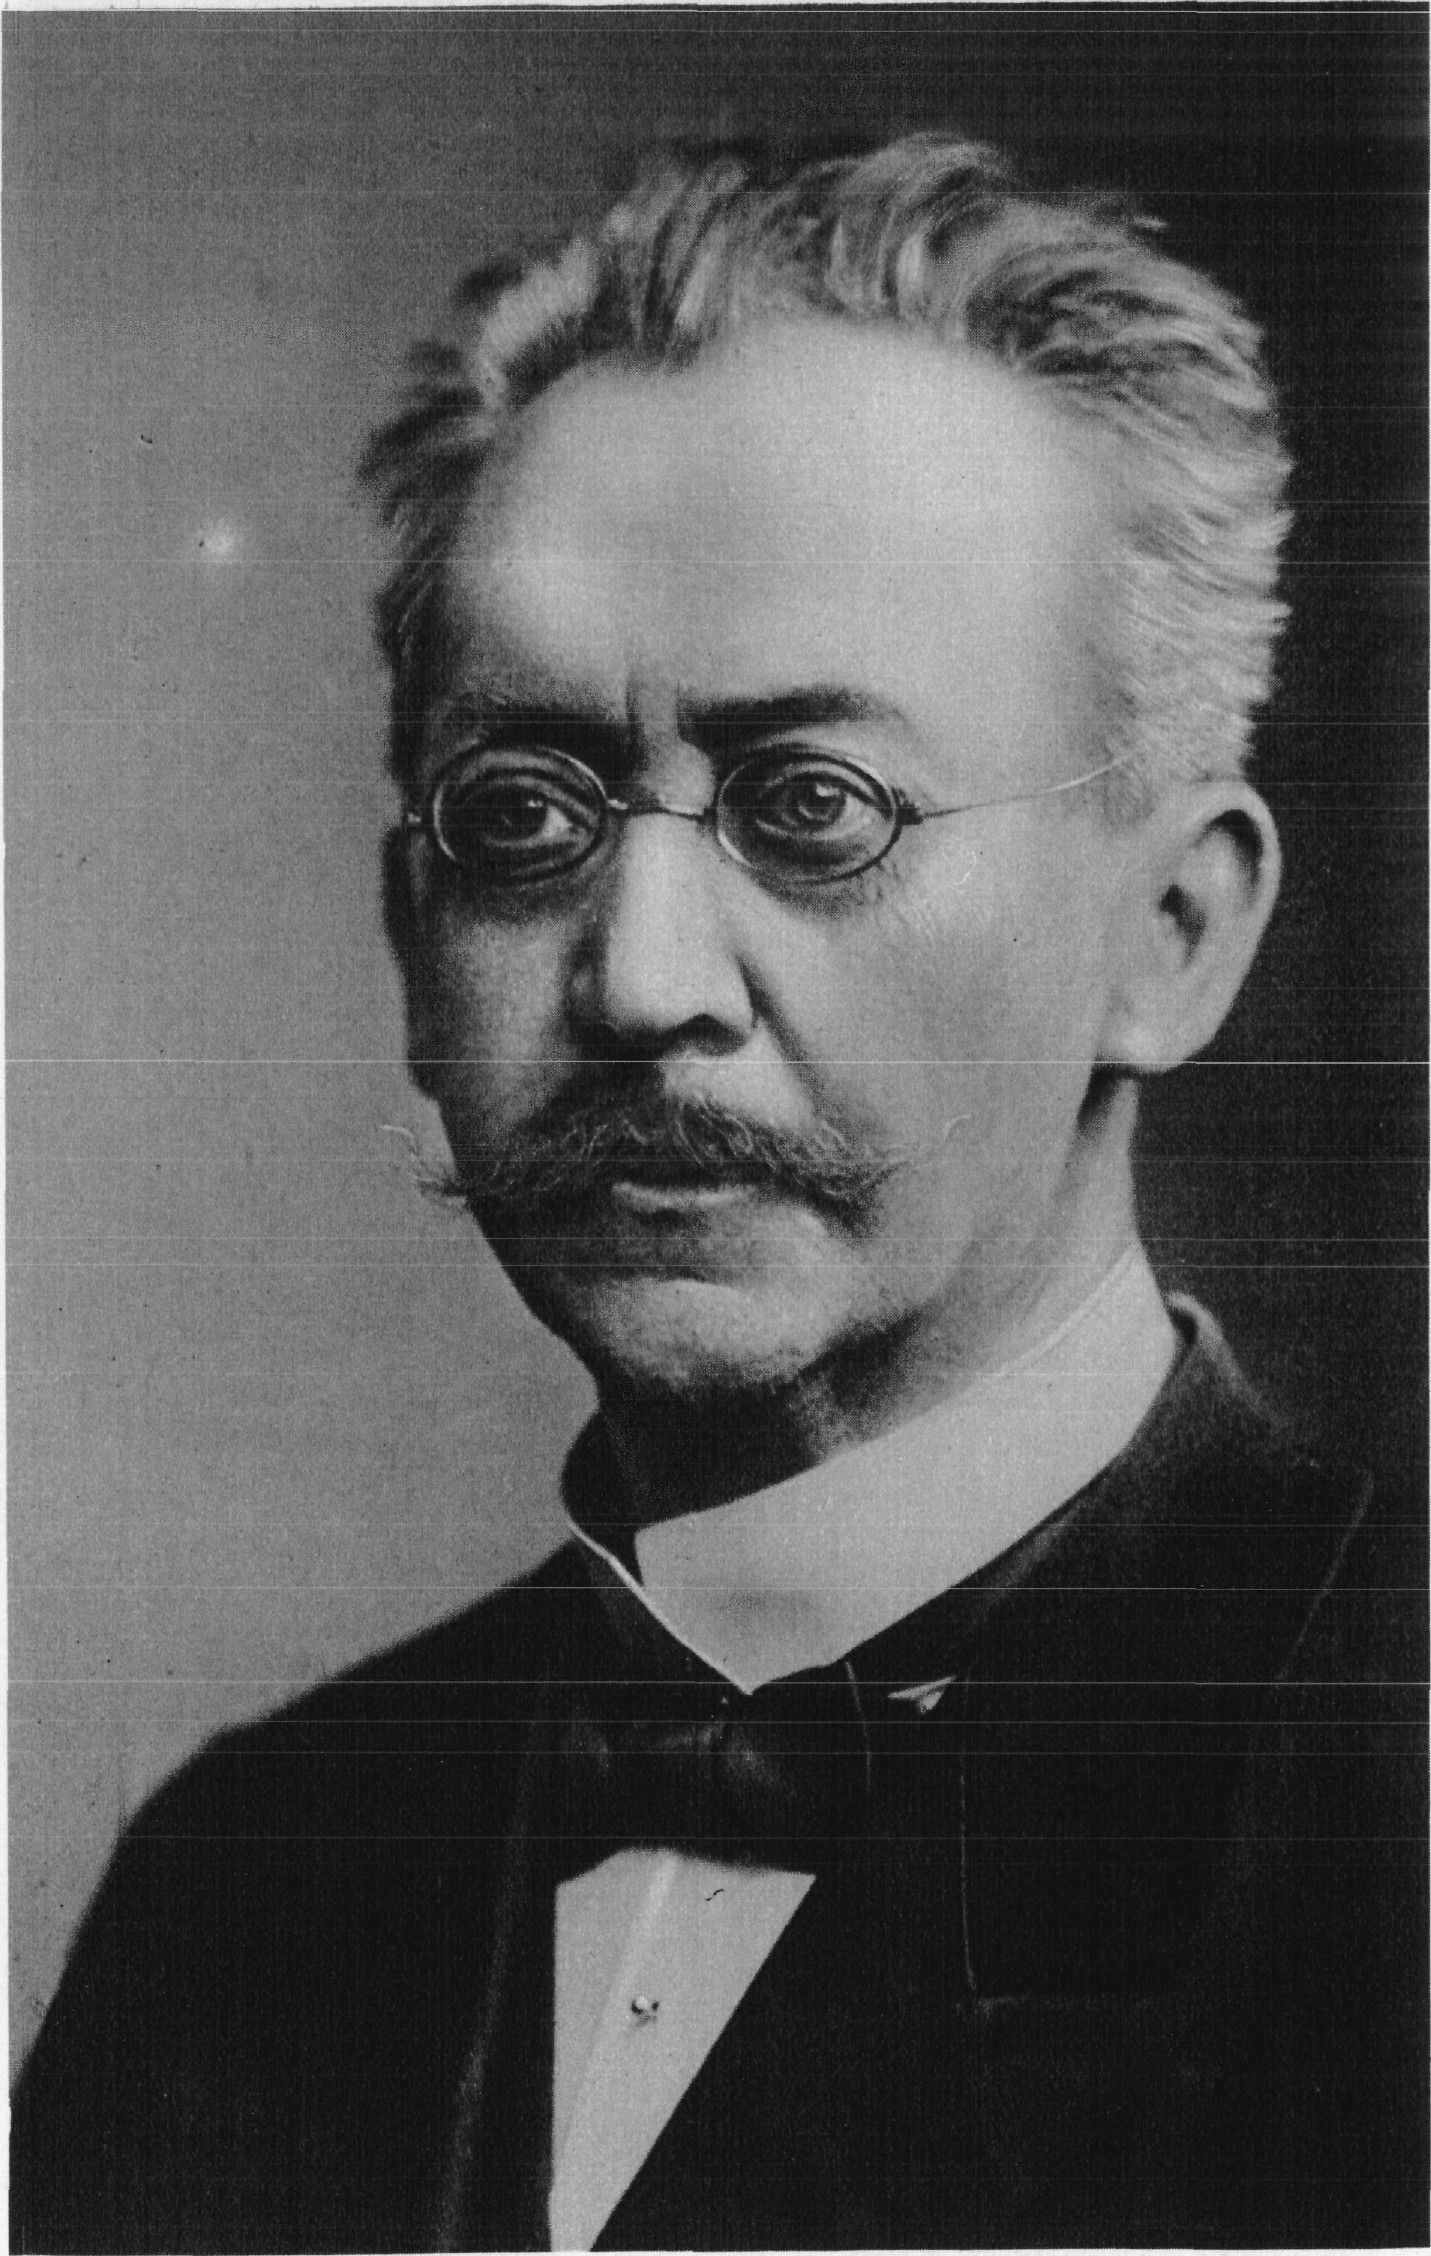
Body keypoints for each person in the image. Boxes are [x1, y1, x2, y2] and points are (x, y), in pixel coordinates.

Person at [11, 134, 1426, 2253]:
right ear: (407, 943)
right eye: (521, 815)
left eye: (816, 806)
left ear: (1172, 934)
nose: (641, 980)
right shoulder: (247, 1877)